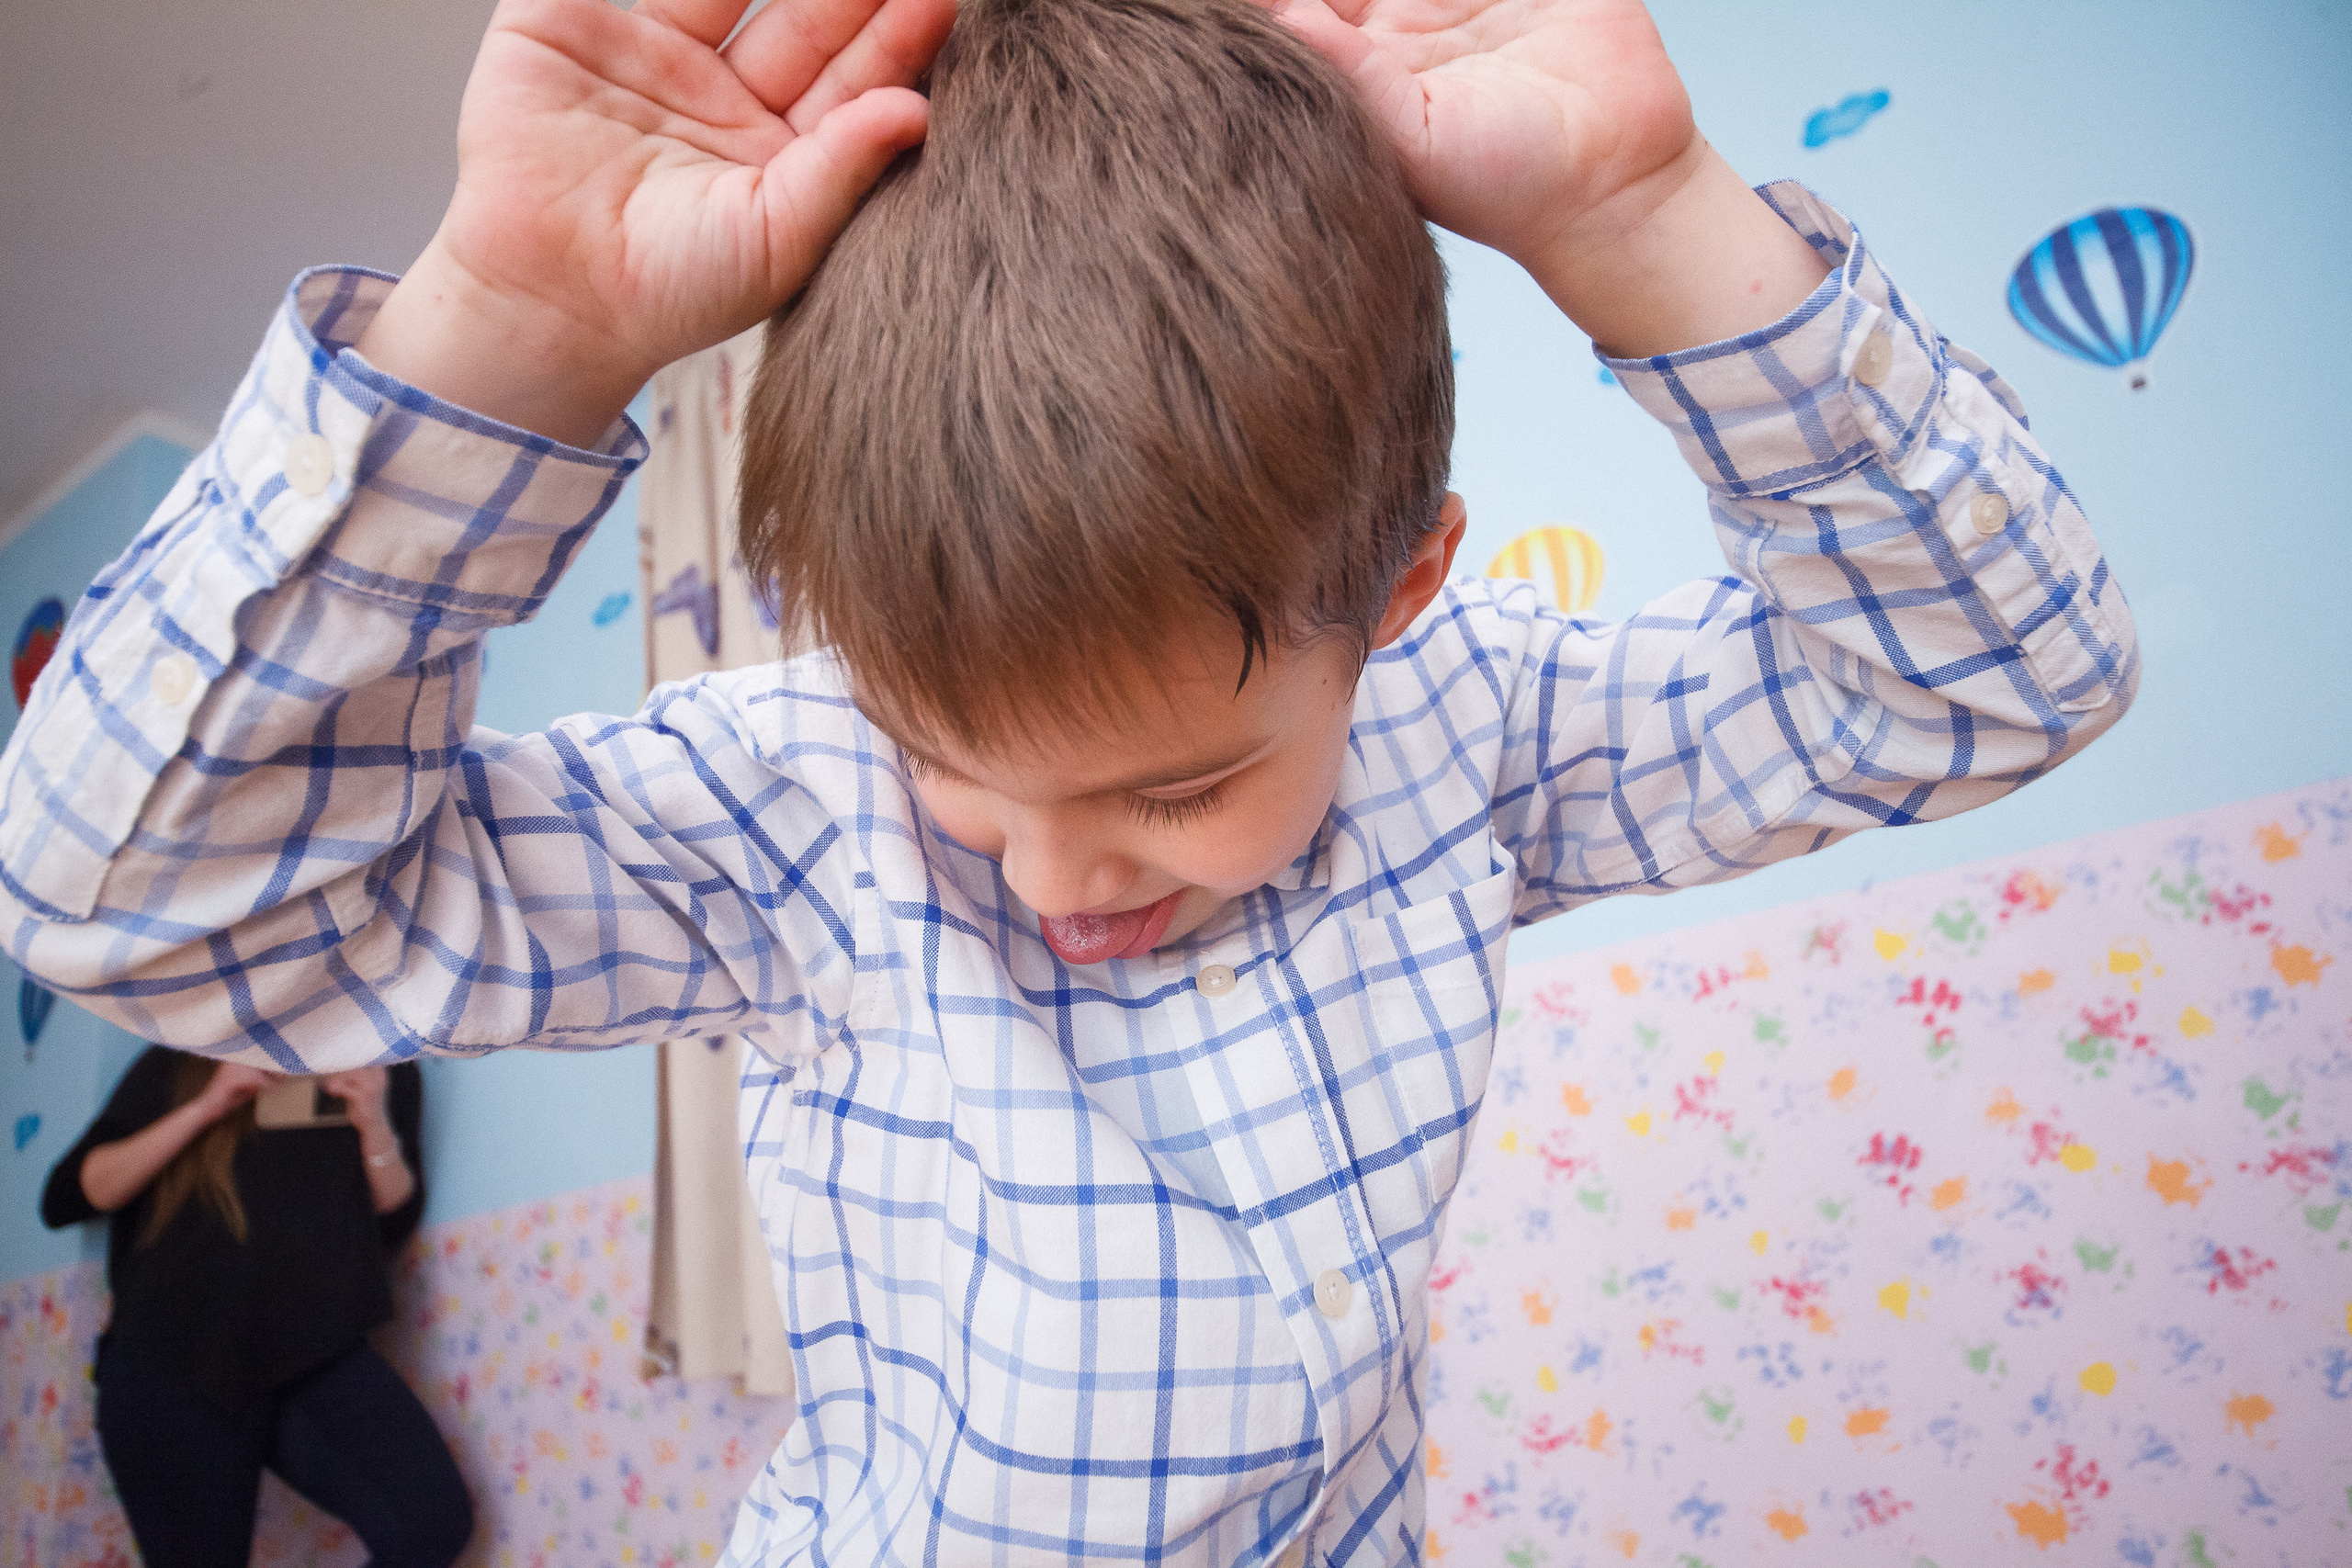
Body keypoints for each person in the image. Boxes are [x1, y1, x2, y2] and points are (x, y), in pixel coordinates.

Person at [0, 0, 2137, 1560]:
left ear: (1394, 595)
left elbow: (1986, 681)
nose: (1050, 874)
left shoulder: (1464, 730)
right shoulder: (793, 811)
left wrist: (1652, 221)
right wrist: (507, 331)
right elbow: (138, 896)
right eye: (955, 764)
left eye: (1181, 779)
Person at [40, 1053, 471, 1568]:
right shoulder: (181, 1059)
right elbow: (67, 1197)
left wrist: (374, 1120)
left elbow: (394, 1222)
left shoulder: (386, 1070)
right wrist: (209, 1105)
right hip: (169, 1359)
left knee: (433, 1520)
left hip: (315, 1348)